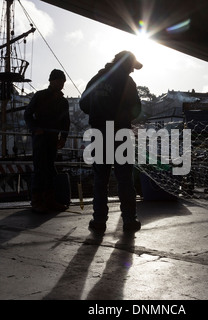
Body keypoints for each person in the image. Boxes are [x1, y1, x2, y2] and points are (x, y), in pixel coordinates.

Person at [80, 50, 143, 233]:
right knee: (124, 179)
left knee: (100, 179)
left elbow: (83, 104)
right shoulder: (126, 81)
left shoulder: (96, 79)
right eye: (132, 66)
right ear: (126, 64)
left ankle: (99, 221)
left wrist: (99, 113)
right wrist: (122, 118)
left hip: (99, 133)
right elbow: (137, 109)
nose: (132, 70)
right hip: (120, 134)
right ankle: (129, 220)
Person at [24, 69, 71, 213]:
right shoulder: (40, 96)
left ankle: (49, 200)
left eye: (63, 82)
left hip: (52, 137)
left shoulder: (63, 101)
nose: (62, 84)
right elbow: (28, 115)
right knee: (40, 168)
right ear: (52, 81)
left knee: (49, 168)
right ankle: (37, 201)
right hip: (40, 137)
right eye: (59, 81)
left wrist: (63, 138)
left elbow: (66, 122)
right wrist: (35, 128)